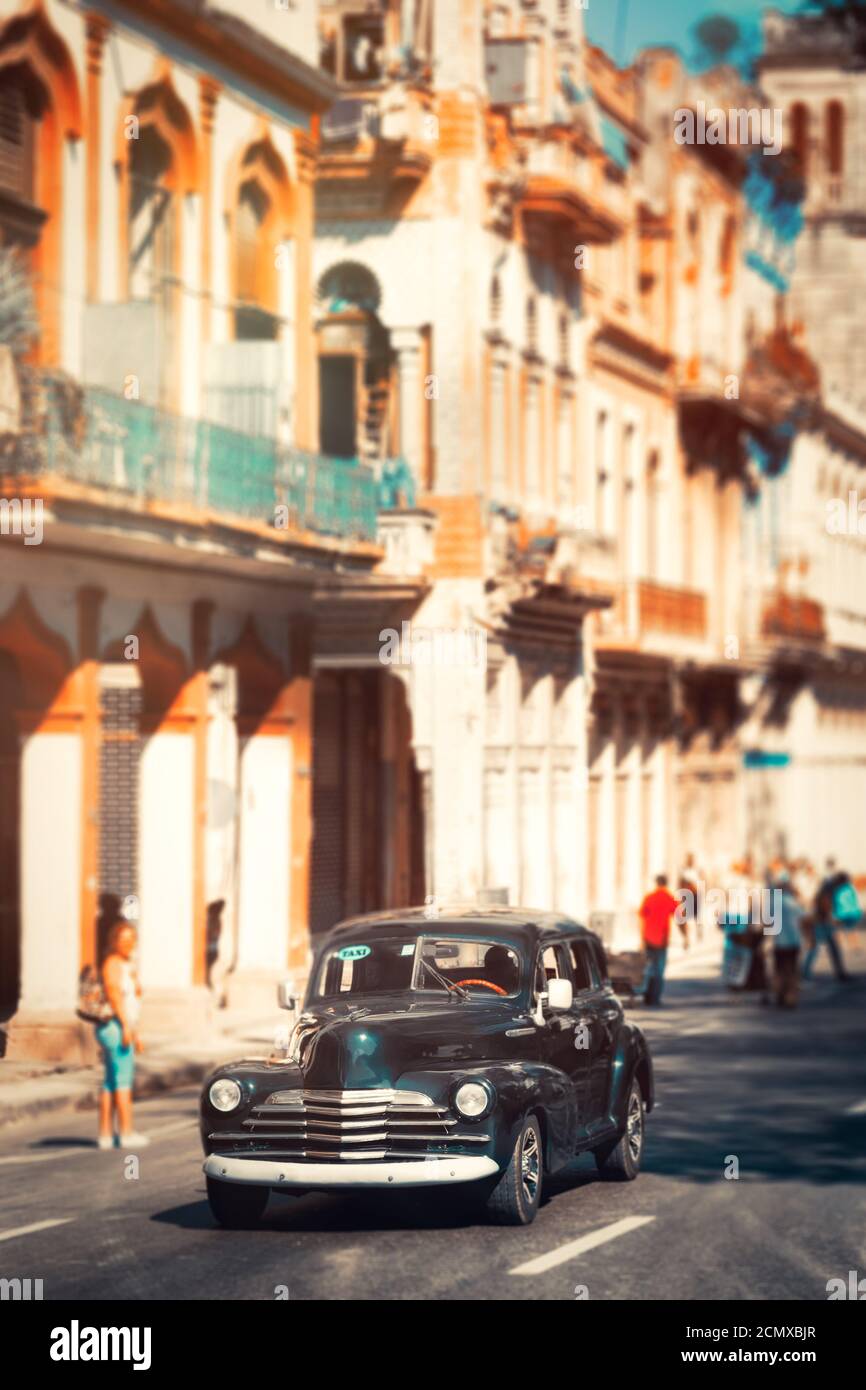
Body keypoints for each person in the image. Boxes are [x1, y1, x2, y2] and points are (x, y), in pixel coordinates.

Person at [96, 919, 149, 1150]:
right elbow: (115, 996)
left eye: (131, 939)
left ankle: (106, 1135)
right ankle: (126, 1133)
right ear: (113, 941)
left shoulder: (126, 964)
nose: (128, 943)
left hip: (122, 1026)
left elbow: (132, 1000)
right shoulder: (113, 964)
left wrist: (134, 1031)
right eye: (122, 939)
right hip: (116, 1027)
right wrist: (127, 1027)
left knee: (110, 1082)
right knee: (123, 1081)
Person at [638, 874, 687, 1006]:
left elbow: (641, 917)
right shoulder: (669, 898)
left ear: (656, 883)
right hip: (661, 940)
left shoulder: (649, 897)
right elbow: (680, 919)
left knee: (648, 968)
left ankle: (647, 995)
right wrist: (685, 937)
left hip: (648, 938)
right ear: (666, 883)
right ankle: (654, 998)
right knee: (659, 970)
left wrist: (641, 939)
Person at [803, 860, 854, 982]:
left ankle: (839, 972)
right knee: (817, 948)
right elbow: (824, 903)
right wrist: (831, 918)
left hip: (822, 920)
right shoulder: (829, 887)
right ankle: (805, 973)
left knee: (824, 947)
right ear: (841, 881)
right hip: (822, 921)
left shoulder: (829, 885)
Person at [769, 871, 803, 1007]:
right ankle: (791, 997)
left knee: (779, 969)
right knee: (792, 970)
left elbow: (766, 922)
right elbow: (804, 919)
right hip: (794, 941)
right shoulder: (793, 902)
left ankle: (780, 995)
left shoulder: (773, 902)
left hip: (779, 942)